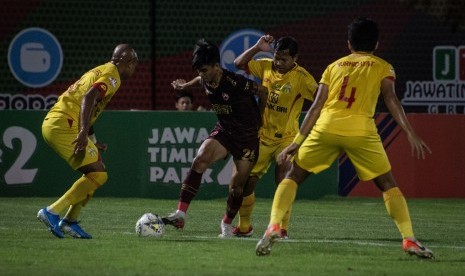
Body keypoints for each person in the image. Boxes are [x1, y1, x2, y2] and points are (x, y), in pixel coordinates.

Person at [255, 17, 434, 259]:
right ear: (377, 44)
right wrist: (410, 131)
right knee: (388, 185)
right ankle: (409, 239)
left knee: (294, 176)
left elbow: (316, 106)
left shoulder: (334, 66)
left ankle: (274, 224)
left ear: (349, 43)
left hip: (326, 126)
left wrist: (297, 141)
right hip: (361, 131)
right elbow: (391, 99)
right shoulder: (383, 66)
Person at [162, 38, 268, 238]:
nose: (200, 75)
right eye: (198, 71)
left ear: (216, 67)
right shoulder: (205, 78)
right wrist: (185, 85)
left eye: (204, 70)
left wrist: (260, 120)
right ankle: (181, 213)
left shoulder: (235, 83)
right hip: (225, 130)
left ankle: (226, 224)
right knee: (200, 158)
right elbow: (198, 82)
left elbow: (264, 91)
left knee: (237, 188)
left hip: (246, 137)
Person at [37, 44, 138, 239]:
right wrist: (82, 132)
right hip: (64, 124)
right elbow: (89, 97)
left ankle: (70, 221)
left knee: (96, 170)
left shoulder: (102, 69)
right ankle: (52, 211)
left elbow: (89, 111)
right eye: (134, 65)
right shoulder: (113, 75)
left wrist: (92, 140)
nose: (133, 70)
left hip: (59, 122)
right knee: (99, 174)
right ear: (129, 63)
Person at [232, 35, 318, 238]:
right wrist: (256, 47)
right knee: (247, 182)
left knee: (284, 180)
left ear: (295, 58)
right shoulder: (265, 66)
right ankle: (244, 227)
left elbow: (321, 100)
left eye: (284, 59)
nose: (279, 63)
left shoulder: (303, 78)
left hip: (287, 139)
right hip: (262, 136)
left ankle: (281, 228)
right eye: (277, 57)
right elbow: (238, 63)